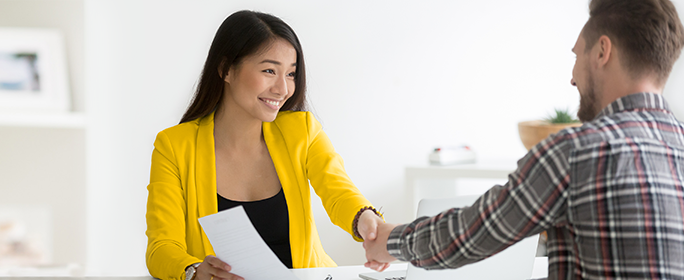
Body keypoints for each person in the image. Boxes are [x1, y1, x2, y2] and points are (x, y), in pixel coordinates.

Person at [364, 0, 684, 279]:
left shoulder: (577, 151)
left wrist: (389, 241)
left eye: (577, 55)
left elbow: (471, 233)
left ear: (602, 51)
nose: (572, 77)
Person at [146, 10, 387, 280]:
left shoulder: (302, 131)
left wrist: (365, 220)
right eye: (269, 71)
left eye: (291, 74)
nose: (283, 89)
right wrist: (193, 271)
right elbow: (162, 247)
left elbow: (339, 192)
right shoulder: (174, 147)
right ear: (226, 69)